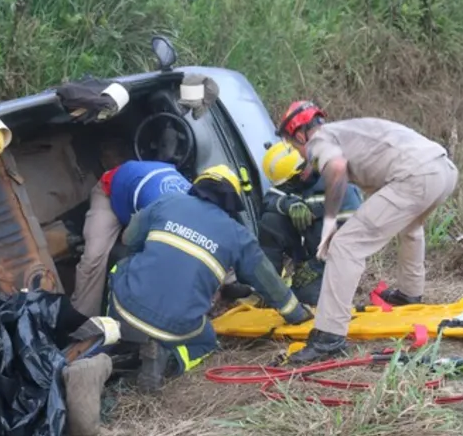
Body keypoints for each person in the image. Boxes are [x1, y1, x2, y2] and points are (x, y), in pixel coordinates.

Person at [275, 101, 458, 364]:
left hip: (416, 176)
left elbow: (336, 168)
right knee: (411, 225)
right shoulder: (345, 130)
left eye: (295, 145)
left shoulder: (318, 141)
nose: (300, 153)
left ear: (300, 134)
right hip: (444, 170)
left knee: (345, 245)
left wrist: (329, 223)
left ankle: (329, 337)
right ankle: (410, 293)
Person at [106, 164, 312, 393]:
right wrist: (296, 313)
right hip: (176, 327)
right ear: (232, 201)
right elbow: (268, 282)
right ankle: (170, 360)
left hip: (125, 307)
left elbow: (129, 238)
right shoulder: (237, 235)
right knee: (206, 341)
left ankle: (111, 333)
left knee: (121, 267)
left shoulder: (168, 202)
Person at [70, 159, 193, 318]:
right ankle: (80, 320)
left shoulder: (196, 208)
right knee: (94, 257)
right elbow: (128, 238)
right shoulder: (157, 211)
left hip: (139, 191)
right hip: (110, 194)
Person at [258, 141, 364, 305]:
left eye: (289, 183)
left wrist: (316, 265)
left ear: (301, 172)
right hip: (309, 252)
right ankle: (267, 288)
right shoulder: (295, 183)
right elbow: (269, 200)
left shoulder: (342, 188)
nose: (288, 189)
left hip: (334, 261)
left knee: (308, 298)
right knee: (270, 220)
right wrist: (288, 204)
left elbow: (353, 241)